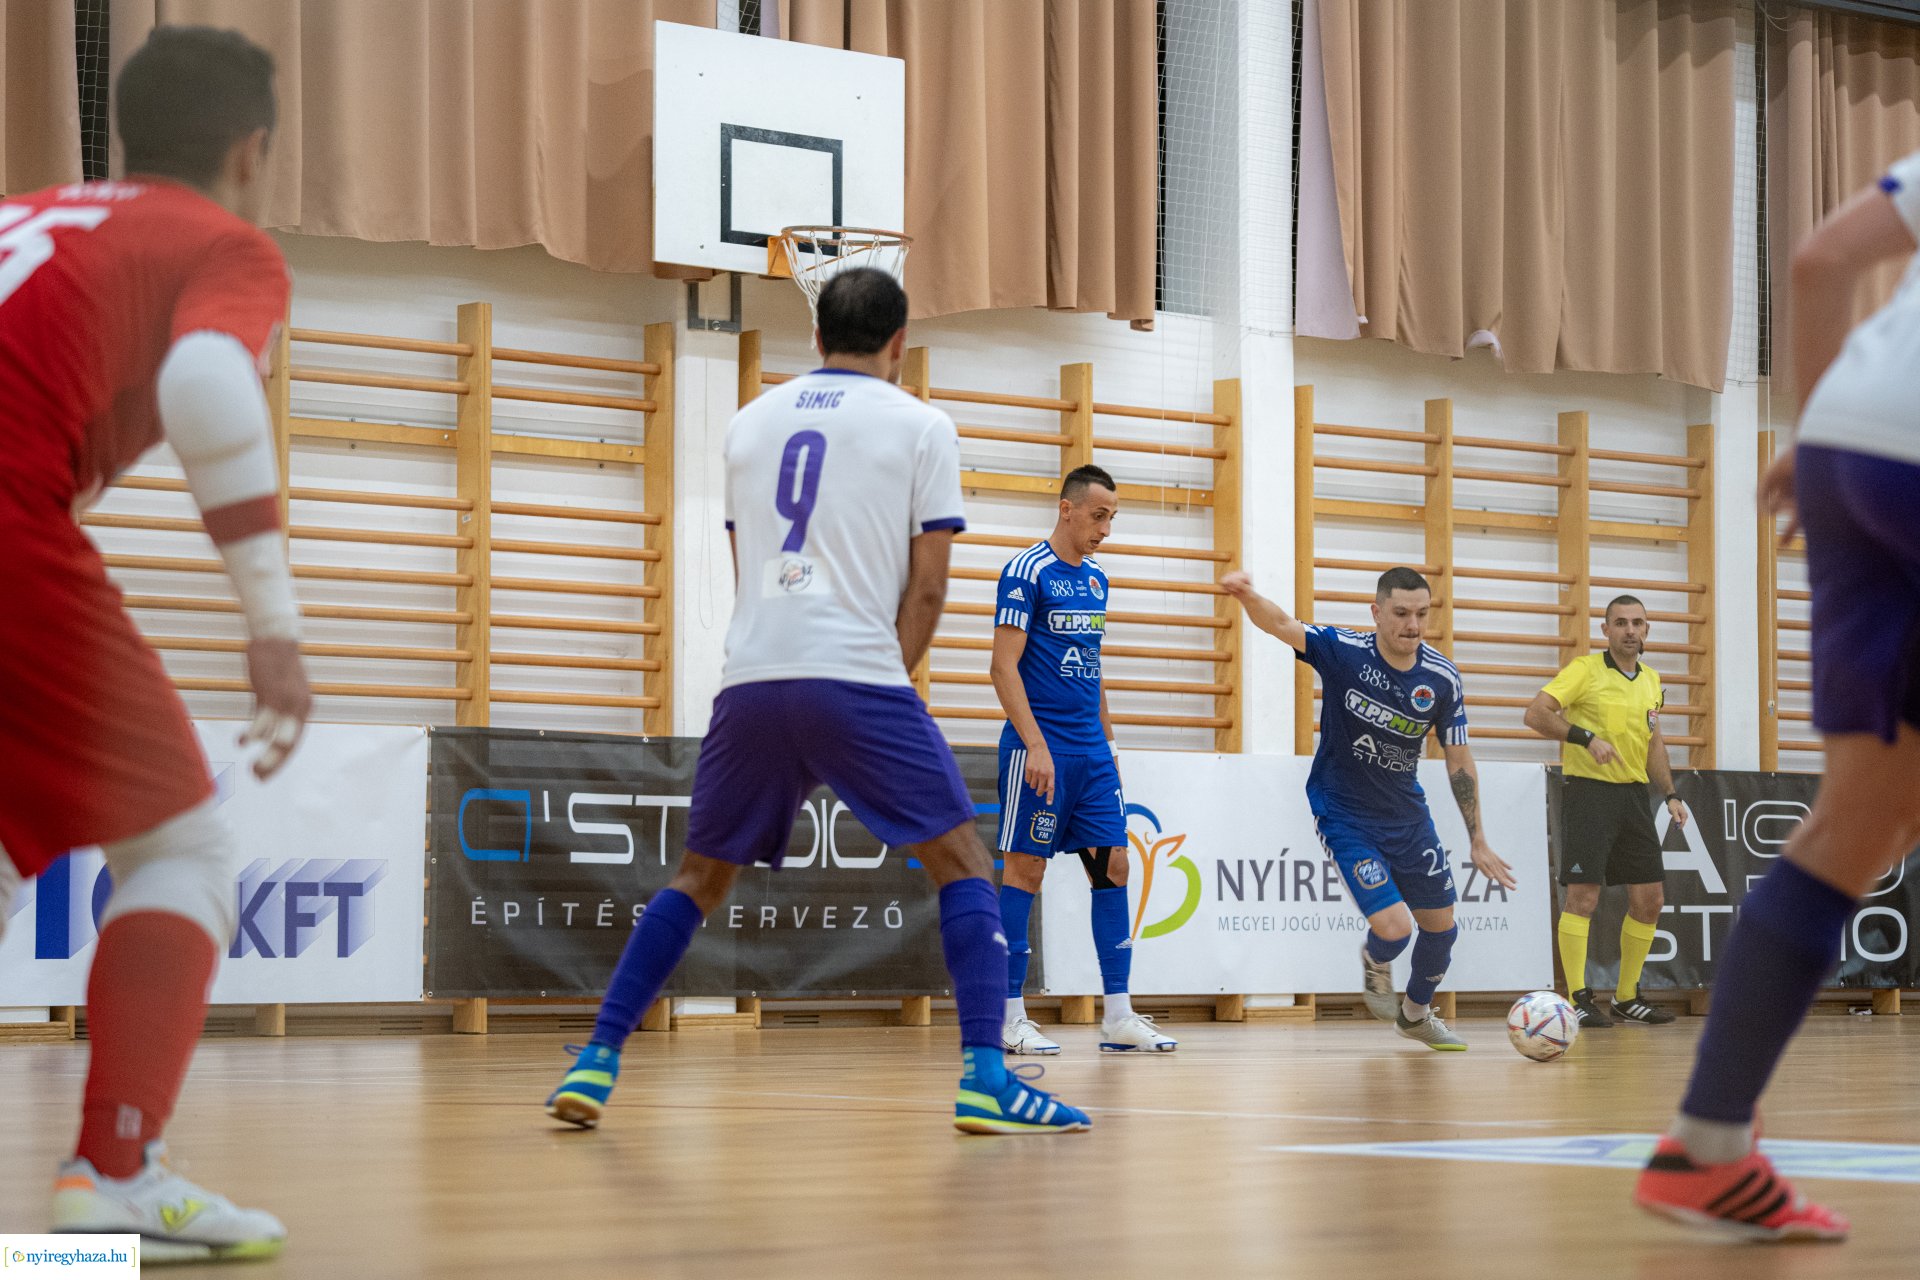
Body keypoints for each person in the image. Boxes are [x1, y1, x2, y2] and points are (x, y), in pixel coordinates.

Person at [544, 267, 1089, 1136]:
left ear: (816, 335)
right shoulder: (921, 425)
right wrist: (881, 681)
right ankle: (988, 1077)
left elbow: (747, 563)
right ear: (900, 342)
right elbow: (929, 590)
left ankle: (596, 1059)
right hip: (858, 675)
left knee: (698, 877)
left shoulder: (749, 423)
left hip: (753, 678)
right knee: (963, 864)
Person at [0, 26, 307, 1263]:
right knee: (178, 845)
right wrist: (272, 623)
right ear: (251, 151)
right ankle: (114, 1172)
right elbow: (208, 386)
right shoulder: (220, 242)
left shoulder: (26, 212)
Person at [1633, 147, 1920, 1243]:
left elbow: (1818, 261)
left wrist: (1807, 438)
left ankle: (1706, 1147)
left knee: (1866, 820)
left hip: (1848, 446)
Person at [1220, 567, 1515, 1050]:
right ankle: (1376, 960)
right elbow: (1281, 624)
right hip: (1344, 814)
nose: (1413, 625)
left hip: (1408, 818)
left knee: (1441, 930)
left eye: (1421, 614)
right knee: (1395, 931)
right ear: (1377, 613)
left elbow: (1459, 758)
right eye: (1401, 613)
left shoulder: (1441, 678)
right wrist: (1248, 595)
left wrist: (1477, 839)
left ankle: (1415, 1016)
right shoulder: (1345, 652)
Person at [991, 464, 1175, 1055]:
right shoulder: (1026, 572)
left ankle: (1118, 1015)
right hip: (1039, 749)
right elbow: (1002, 667)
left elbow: (1093, 671)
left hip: (1091, 753)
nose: (1106, 530)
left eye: (1112, 518)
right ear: (1066, 509)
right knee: (1026, 871)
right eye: (1099, 516)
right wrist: (1036, 745)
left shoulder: (1097, 580)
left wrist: (1110, 748)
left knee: (1114, 865)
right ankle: (1008, 1015)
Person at [1524, 596, 1684, 1028]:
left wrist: (1670, 794)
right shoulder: (1585, 670)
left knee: (1650, 900)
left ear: (1647, 630)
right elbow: (1535, 714)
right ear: (1606, 630)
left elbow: (1654, 742)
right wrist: (1584, 737)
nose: (1630, 630)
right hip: (1589, 794)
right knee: (1583, 898)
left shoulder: (1652, 680)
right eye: (1621, 622)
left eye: (1638, 623)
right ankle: (1576, 998)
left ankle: (1627, 997)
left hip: (1634, 797)